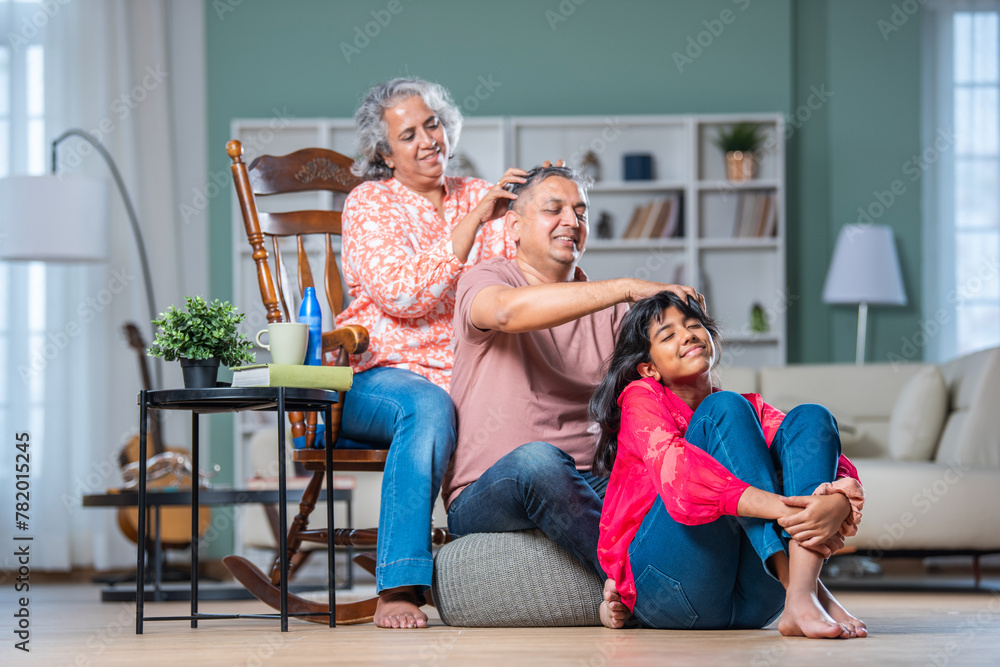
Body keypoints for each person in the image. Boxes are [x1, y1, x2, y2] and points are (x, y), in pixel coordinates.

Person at [444, 166, 703, 603]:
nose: (572, 221)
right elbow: (505, 313)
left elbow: (668, 381)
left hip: (589, 481)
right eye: (554, 209)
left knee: (683, 468)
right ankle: (649, 593)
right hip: (490, 489)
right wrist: (626, 287)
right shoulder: (486, 279)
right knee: (538, 462)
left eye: (581, 212)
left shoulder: (612, 312)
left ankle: (726, 583)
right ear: (514, 227)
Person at [335, 77, 529, 629]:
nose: (427, 140)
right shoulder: (370, 203)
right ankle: (399, 585)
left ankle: (512, 578)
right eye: (408, 134)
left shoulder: (481, 193)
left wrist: (544, 201)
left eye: (433, 124)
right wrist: (474, 223)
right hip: (380, 378)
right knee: (428, 409)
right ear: (384, 152)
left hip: (468, 378)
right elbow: (404, 294)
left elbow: (522, 276)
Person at [590, 290, 868, 638]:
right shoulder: (642, 398)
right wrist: (788, 509)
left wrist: (838, 500)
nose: (688, 334)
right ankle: (804, 592)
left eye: (694, 325)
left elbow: (829, 459)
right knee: (725, 409)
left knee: (812, 418)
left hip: (757, 603)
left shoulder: (746, 413)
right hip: (669, 589)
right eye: (669, 334)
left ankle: (801, 594)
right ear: (649, 368)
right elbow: (681, 483)